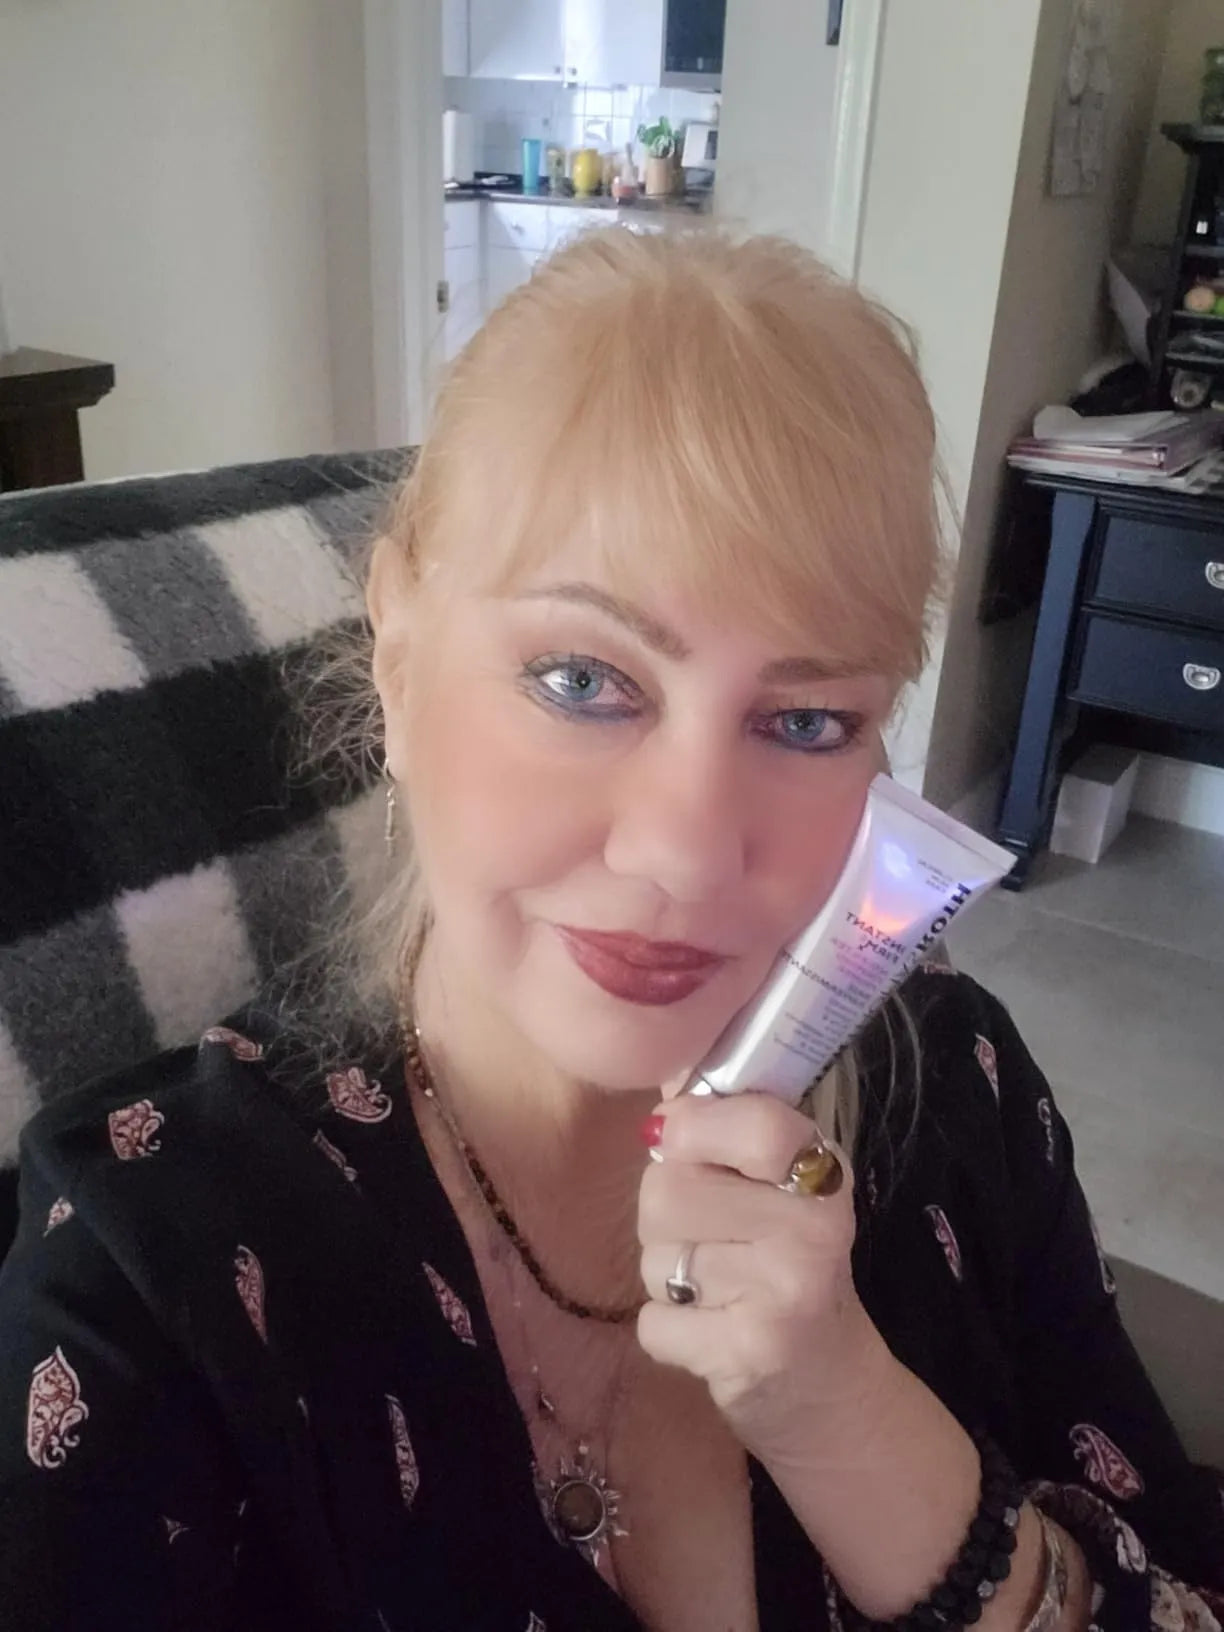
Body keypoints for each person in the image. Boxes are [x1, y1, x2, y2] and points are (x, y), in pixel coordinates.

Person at [0, 231, 1221, 1632]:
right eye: (583, 680)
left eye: (805, 720)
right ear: (398, 651)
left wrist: (851, 1427)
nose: (687, 853)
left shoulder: (960, 1093)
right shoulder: (153, 1288)